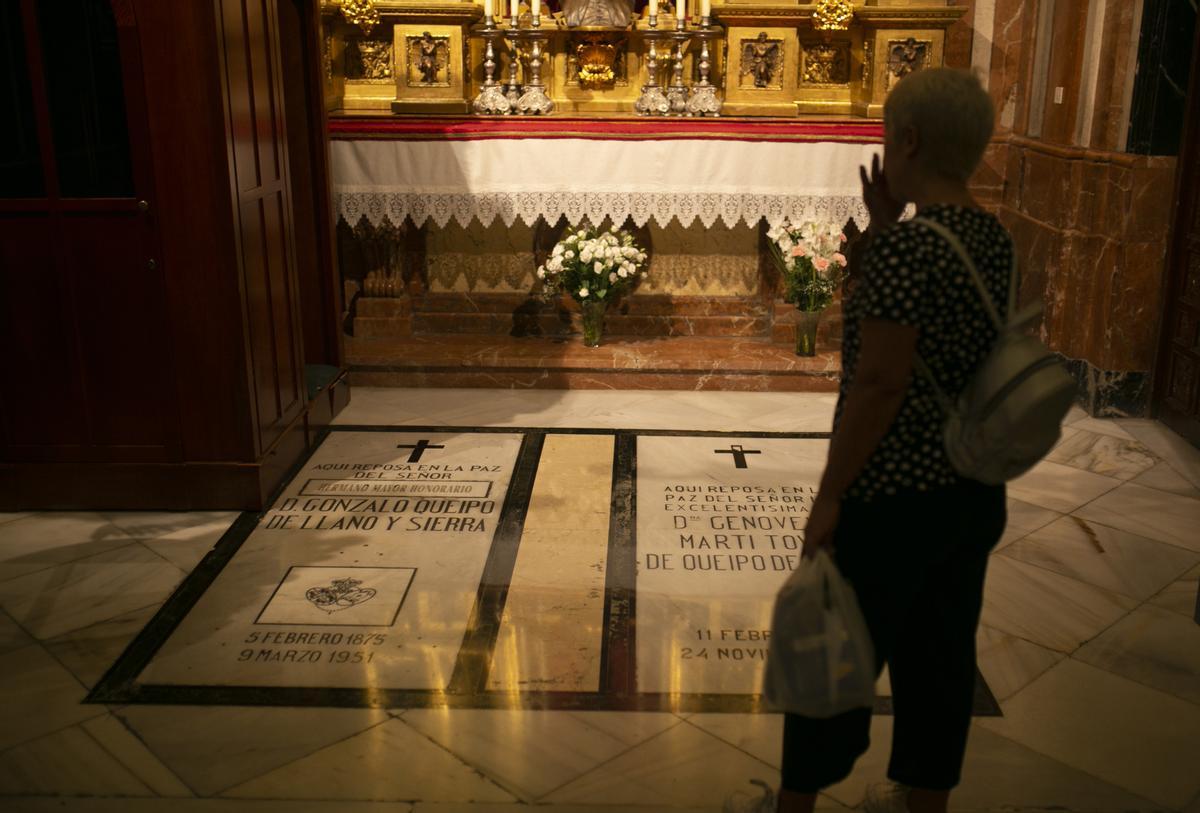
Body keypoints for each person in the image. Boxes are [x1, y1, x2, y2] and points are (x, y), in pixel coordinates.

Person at [730, 67, 1011, 813]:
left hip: (891, 495)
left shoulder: (903, 253)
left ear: (908, 140)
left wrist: (829, 495)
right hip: (970, 489)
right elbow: (940, 338)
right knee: (941, 656)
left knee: (832, 658)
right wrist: (886, 225)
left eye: (889, 136)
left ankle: (794, 804)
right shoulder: (991, 237)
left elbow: (882, 384)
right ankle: (926, 802)